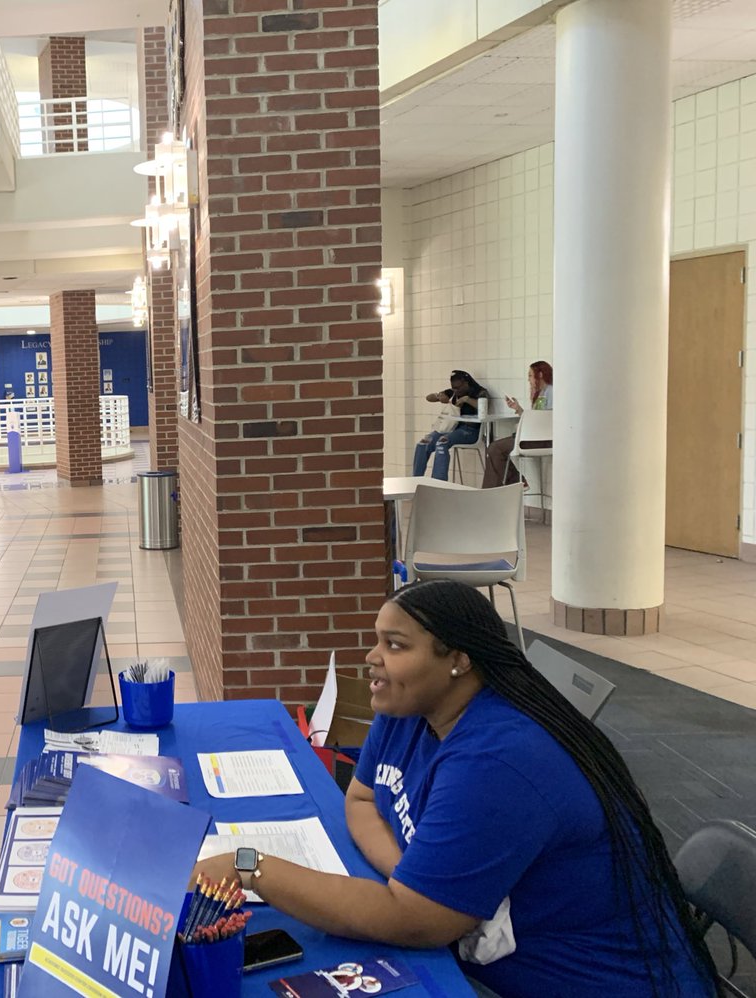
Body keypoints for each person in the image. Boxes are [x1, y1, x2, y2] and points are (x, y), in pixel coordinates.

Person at [193, 581, 718, 998]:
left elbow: (417, 922)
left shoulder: (498, 763)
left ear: (458, 660)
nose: (372, 658)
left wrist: (248, 866)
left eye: (395, 645)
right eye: (377, 639)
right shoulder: (412, 704)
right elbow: (360, 798)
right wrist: (412, 872)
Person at [482, 361, 552, 488]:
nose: (528, 380)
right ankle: (515, 482)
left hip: (541, 439)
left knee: (495, 448)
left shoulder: (551, 392)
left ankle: (513, 483)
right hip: (534, 436)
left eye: (530, 375)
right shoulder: (541, 394)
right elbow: (535, 419)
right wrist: (518, 408)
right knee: (495, 449)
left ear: (540, 375)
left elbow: (547, 419)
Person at [412, 370, 489, 481]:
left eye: (458, 388)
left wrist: (467, 400)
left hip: (469, 431)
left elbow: (484, 406)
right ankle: (415, 481)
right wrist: (439, 396)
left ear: (467, 383)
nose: (456, 391)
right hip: (450, 428)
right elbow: (428, 398)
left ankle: (438, 483)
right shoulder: (453, 392)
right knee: (422, 444)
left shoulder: (480, 392)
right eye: (453, 388)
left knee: (441, 443)